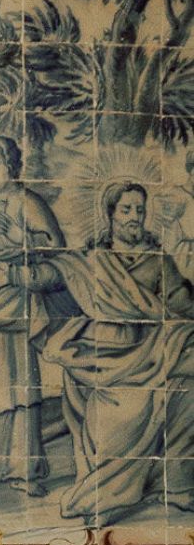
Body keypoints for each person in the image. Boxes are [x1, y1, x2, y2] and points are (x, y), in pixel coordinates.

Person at [46, 180, 194, 522]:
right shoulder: (92, 260)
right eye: (126, 209)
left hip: (153, 346)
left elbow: (180, 304)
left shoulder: (157, 260)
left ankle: (176, 485)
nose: (134, 217)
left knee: (188, 388)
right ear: (110, 213)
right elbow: (56, 279)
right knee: (119, 411)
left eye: (139, 210)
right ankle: (108, 497)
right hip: (107, 349)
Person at [0, 137, 65, 497]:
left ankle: (25, 469)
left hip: (16, 301)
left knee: (20, 387)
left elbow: (54, 244)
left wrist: (19, 237)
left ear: (12, 165)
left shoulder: (27, 201)